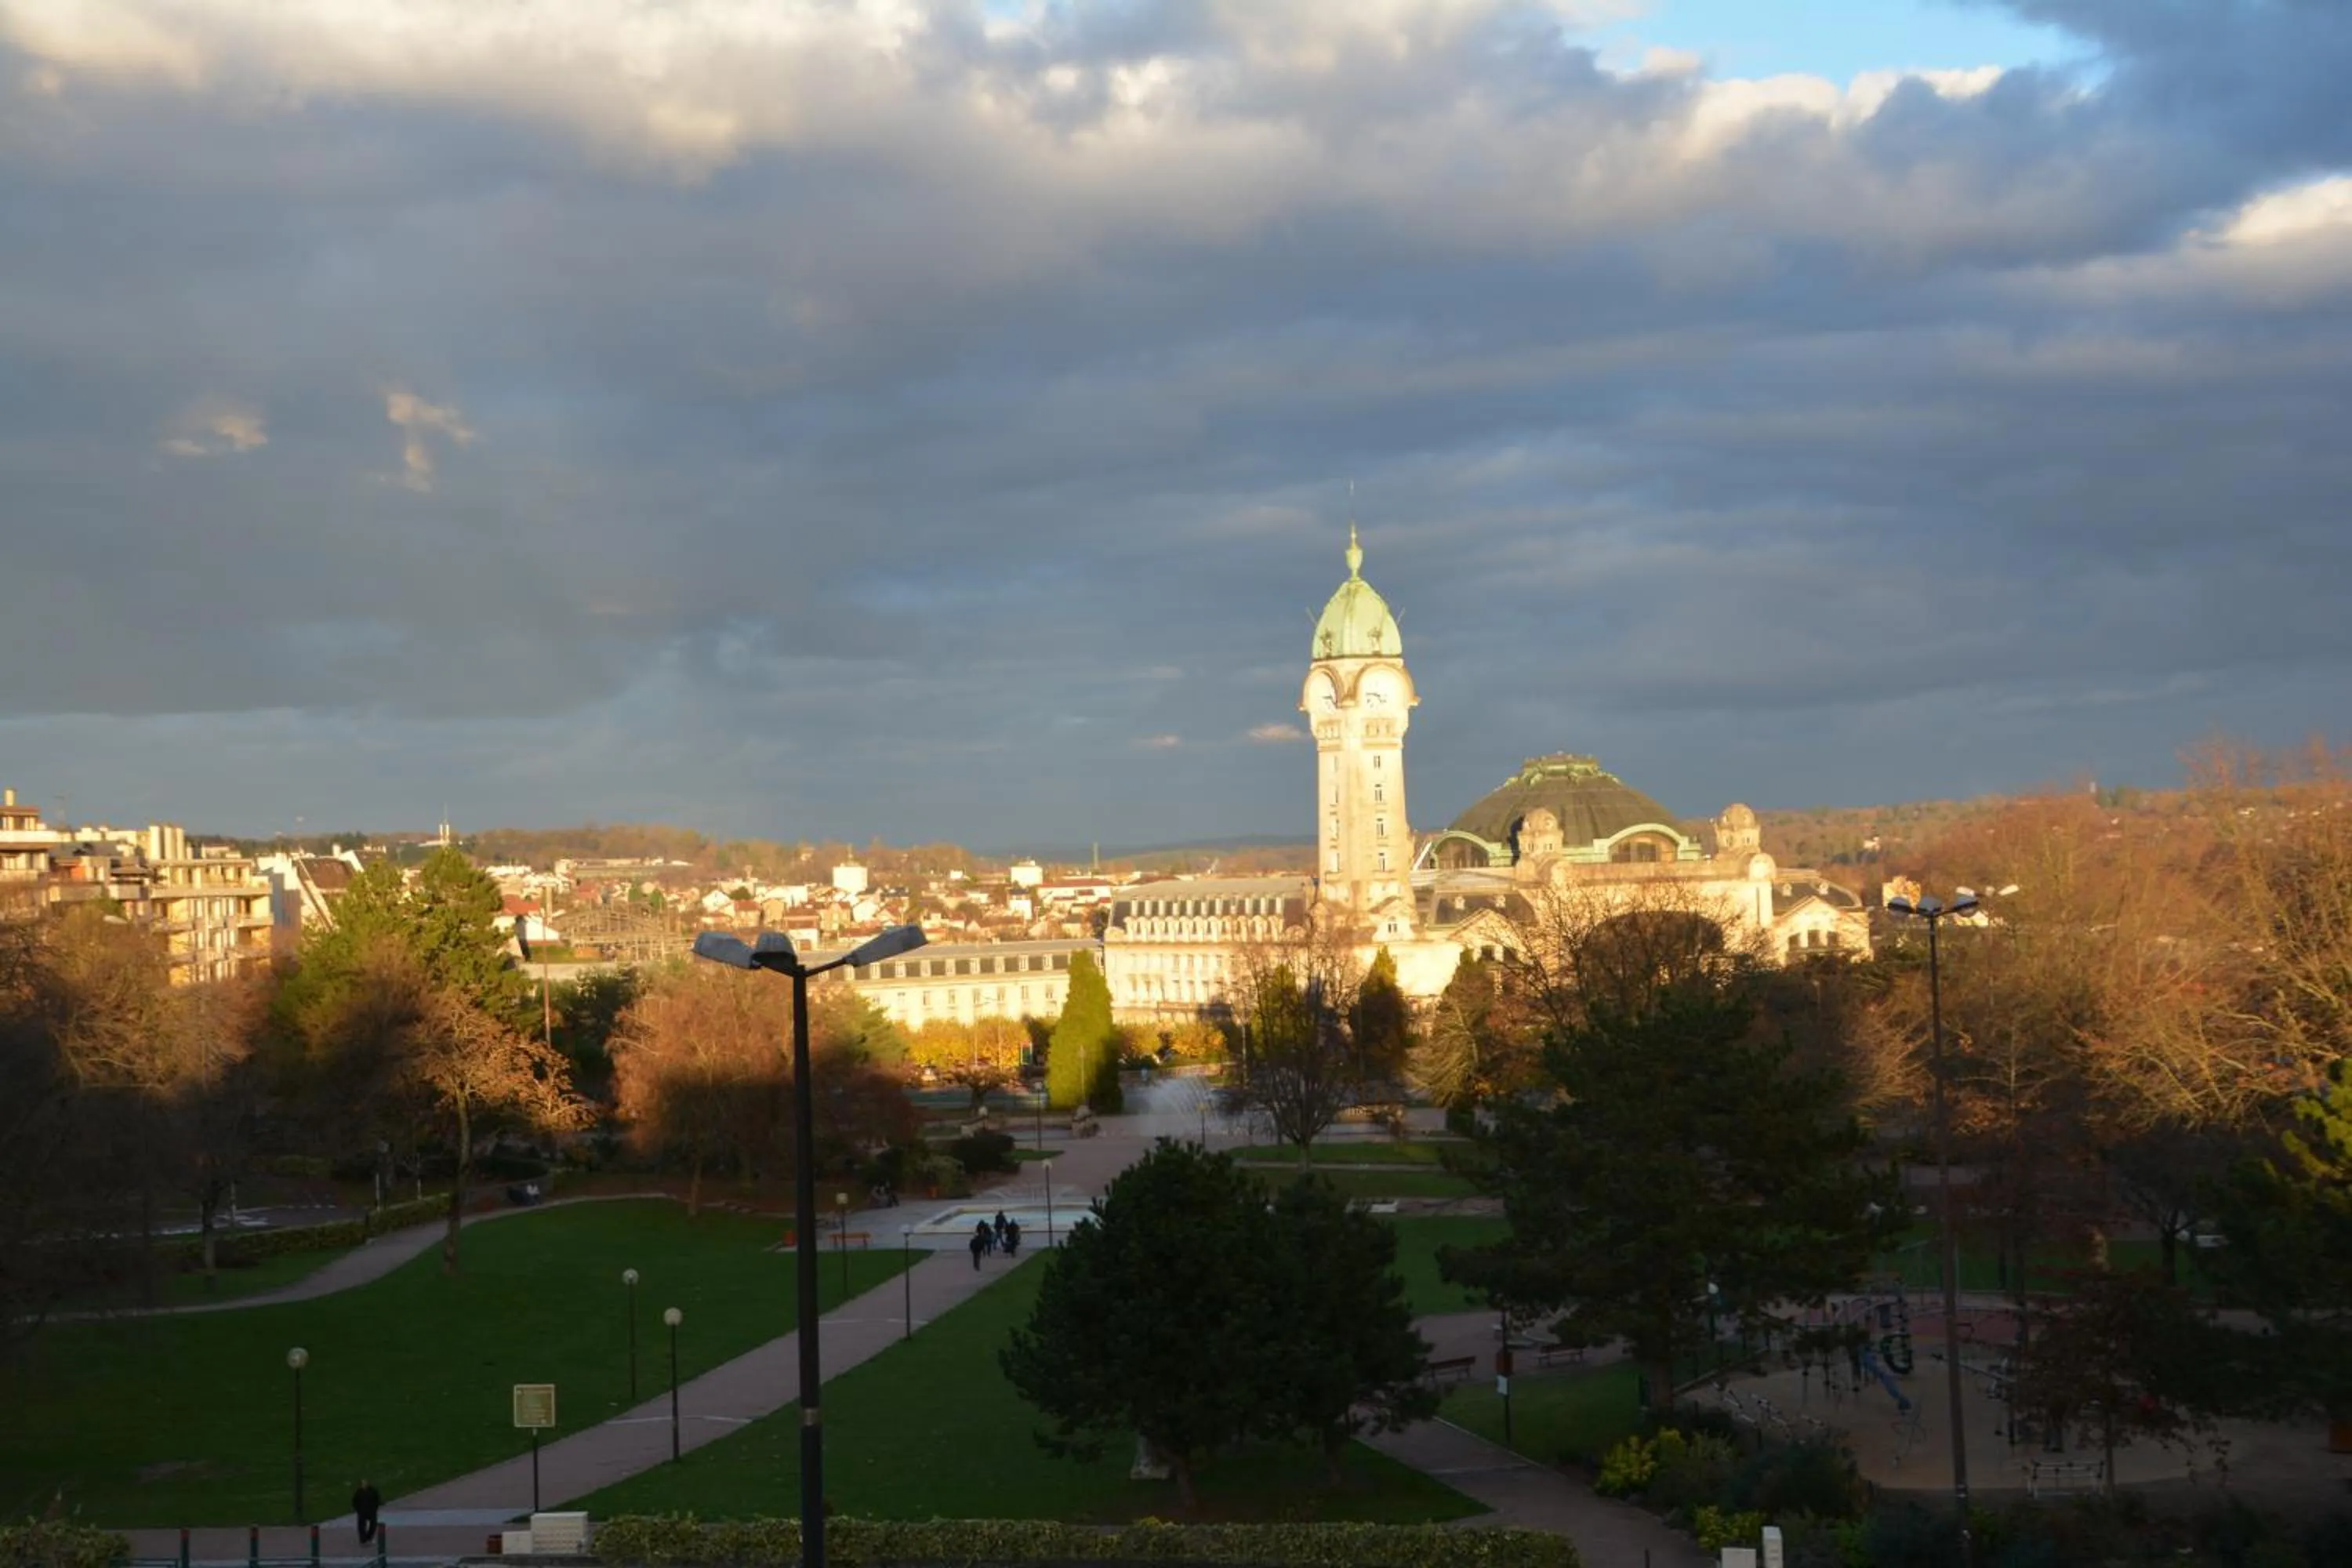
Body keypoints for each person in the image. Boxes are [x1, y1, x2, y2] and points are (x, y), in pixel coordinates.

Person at [352, 1479, 383, 1544]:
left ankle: (369, 1537)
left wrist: (375, 1508)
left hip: (372, 1511)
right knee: (361, 1526)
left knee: (373, 1525)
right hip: (362, 1512)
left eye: (365, 1483)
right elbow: (355, 1501)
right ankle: (363, 1539)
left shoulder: (373, 1491)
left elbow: (377, 1499)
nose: (364, 1485)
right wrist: (358, 1510)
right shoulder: (359, 1492)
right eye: (363, 1484)